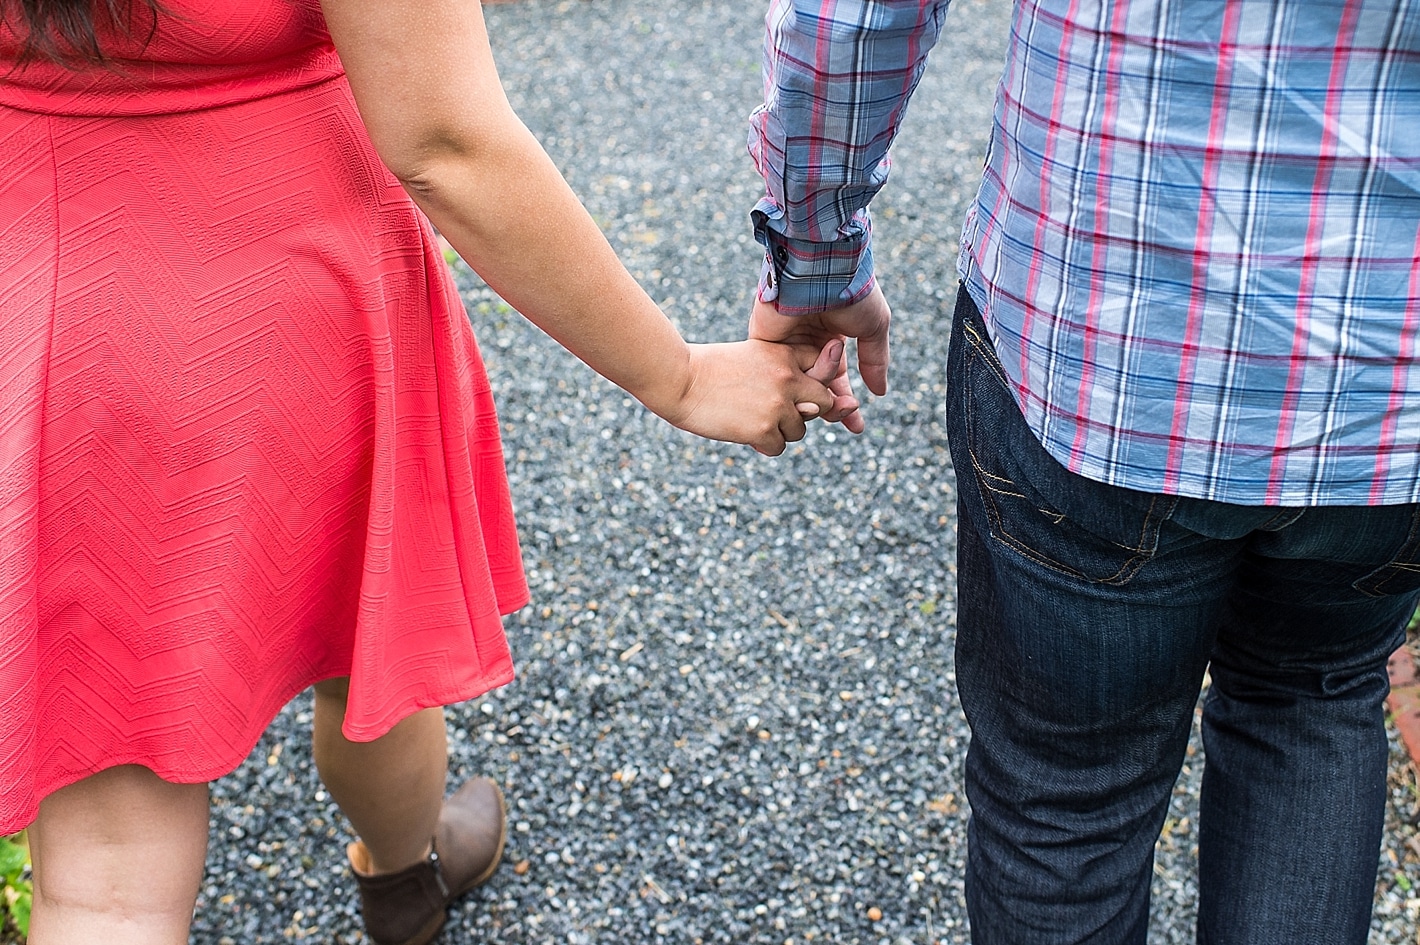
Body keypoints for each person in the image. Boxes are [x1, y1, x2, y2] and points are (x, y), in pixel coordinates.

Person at [0, 1, 846, 943]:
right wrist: (678, 376)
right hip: (286, 304)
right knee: (368, 639)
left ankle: (400, 869)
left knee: (109, 870)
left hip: (33, 305)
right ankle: (404, 874)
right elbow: (446, 144)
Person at [745, 0, 1420, 941]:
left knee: (1067, 799)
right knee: (1311, 710)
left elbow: (849, 17)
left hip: (1102, 354)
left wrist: (813, 258)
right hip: (1390, 401)